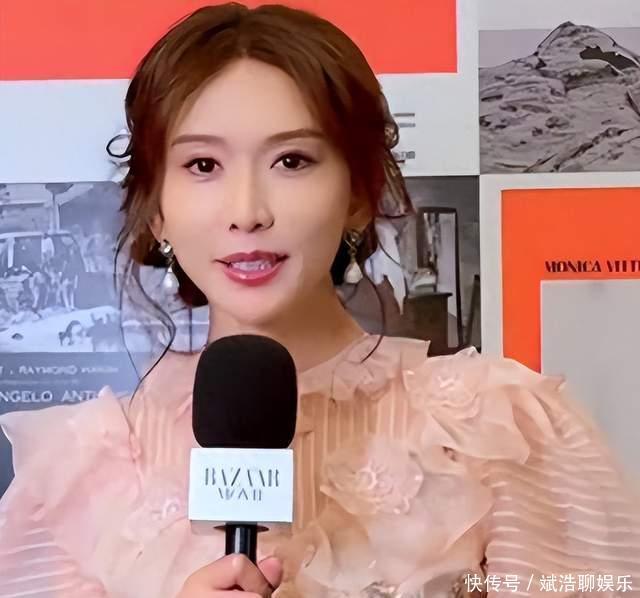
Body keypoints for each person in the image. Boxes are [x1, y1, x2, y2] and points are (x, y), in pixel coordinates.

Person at [0, 4, 639, 598]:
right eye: (203, 166)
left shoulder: (502, 431)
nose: (247, 211)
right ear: (156, 210)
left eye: (292, 161)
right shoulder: (79, 473)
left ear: (357, 195)